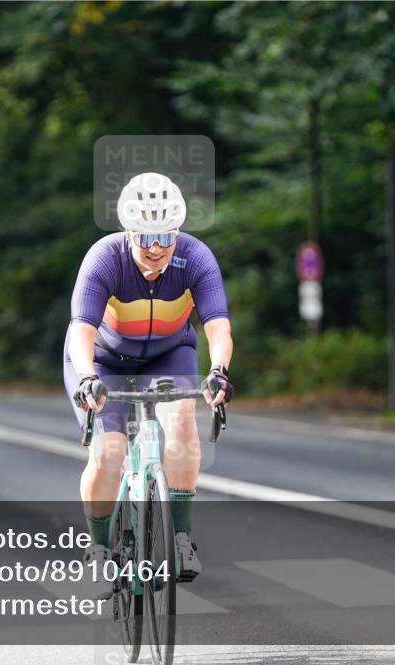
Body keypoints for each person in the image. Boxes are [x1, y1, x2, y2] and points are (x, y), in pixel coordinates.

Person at [63, 172, 234, 593]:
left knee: (180, 425)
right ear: (129, 232)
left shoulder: (194, 257)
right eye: (145, 238)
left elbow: (218, 326)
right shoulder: (105, 258)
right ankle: (99, 549)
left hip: (169, 353)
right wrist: (87, 378)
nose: (156, 248)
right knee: (110, 449)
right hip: (102, 359)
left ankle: (180, 538)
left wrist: (219, 372)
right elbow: (82, 328)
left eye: (165, 235)